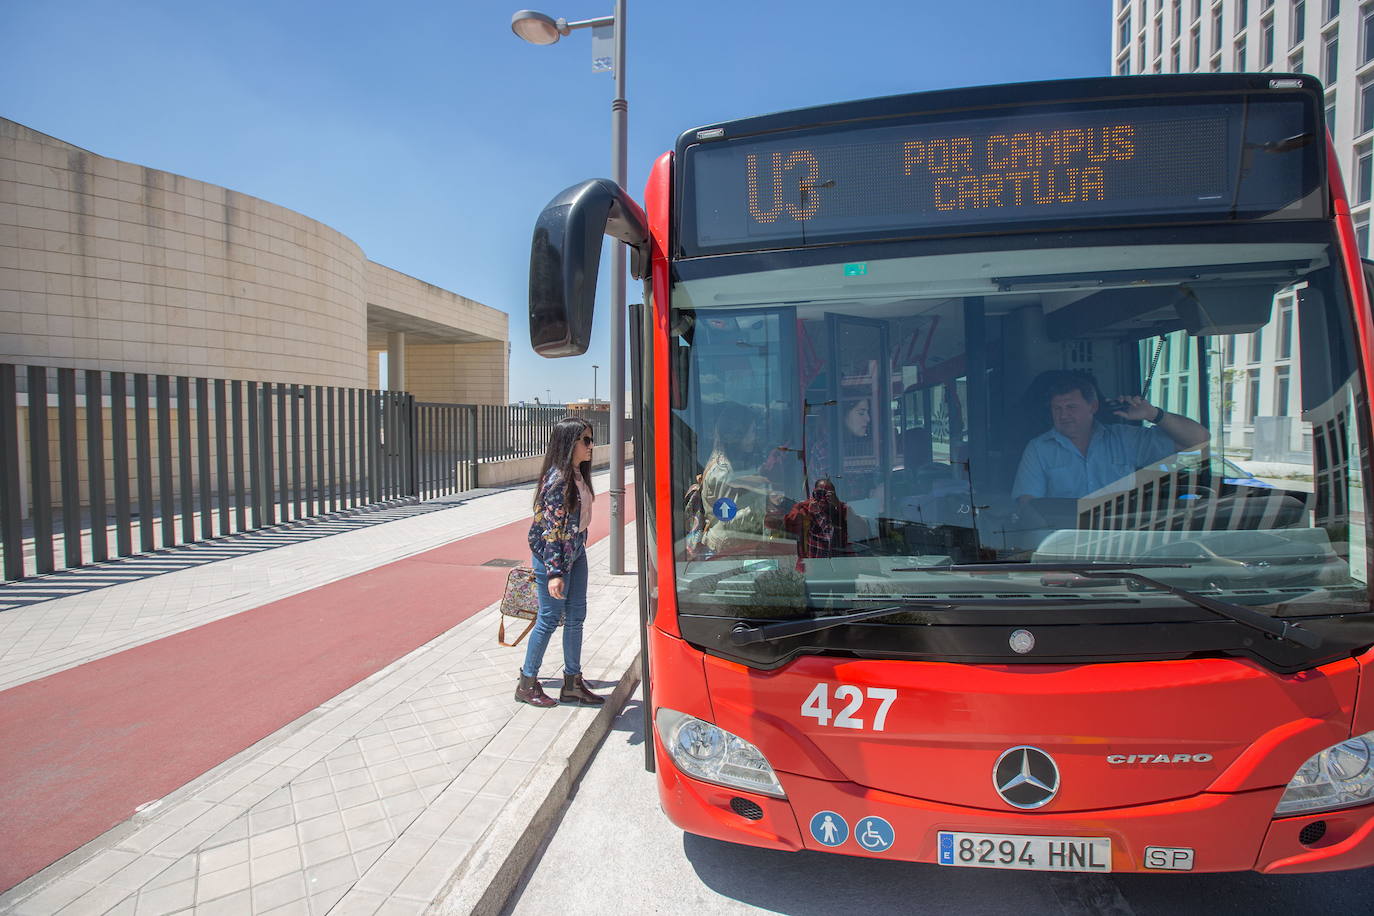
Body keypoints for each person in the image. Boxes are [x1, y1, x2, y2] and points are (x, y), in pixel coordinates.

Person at [516, 417, 604, 709]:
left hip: (575, 551)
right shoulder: (557, 480)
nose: (591, 446)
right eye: (586, 441)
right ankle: (527, 683)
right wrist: (555, 572)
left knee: (577, 616)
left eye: (591, 439)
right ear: (570, 444)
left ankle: (572, 682)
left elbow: (577, 523)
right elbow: (551, 531)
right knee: (549, 618)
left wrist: (575, 551)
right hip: (553, 558)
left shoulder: (577, 474)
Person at [1012, 376, 1209, 506]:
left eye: (1071, 407)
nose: (1064, 415)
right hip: (1064, 543)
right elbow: (1028, 504)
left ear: (1093, 407)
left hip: (1121, 541)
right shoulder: (1038, 449)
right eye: (1057, 409)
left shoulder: (1125, 438)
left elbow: (1198, 440)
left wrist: (1152, 414)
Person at [698, 402, 771, 555]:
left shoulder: (731, 463)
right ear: (738, 434)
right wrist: (762, 504)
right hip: (726, 550)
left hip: (735, 546)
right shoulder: (722, 472)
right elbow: (726, 521)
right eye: (751, 432)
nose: (754, 437)